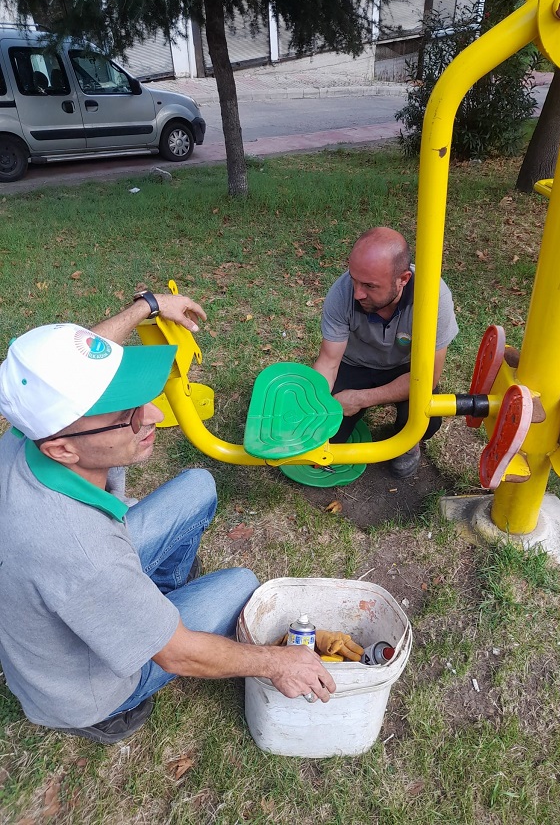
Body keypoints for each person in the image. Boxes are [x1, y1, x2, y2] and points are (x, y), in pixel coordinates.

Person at [0, 291, 335, 745]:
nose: (154, 414)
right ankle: (105, 712)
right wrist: (279, 662)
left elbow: (78, 365)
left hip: (73, 595)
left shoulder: (29, 429)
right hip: (84, 686)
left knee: (199, 483)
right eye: (128, 416)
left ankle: (150, 603)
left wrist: (148, 307)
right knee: (239, 583)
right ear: (62, 449)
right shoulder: (83, 553)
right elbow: (180, 655)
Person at [313, 227, 458, 478]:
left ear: (403, 279)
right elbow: (328, 362)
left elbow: (429, 377)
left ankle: (407, 442)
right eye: (354, 279)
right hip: (355, 363)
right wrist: (317, 407)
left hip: (407, 368)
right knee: (327, 433)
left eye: (369, 285)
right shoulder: (342, 291)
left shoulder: (433, 296)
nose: (357, 293)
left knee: (427, 420)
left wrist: (360, 399)